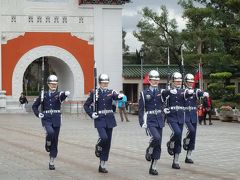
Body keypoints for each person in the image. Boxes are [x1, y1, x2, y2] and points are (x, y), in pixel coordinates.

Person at [84, 73, 123, 173]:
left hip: (109, 119)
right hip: (99, 119)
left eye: (106, 83)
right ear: (100, 83)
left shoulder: (111, 92)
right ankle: (98, 144)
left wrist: (119, 96)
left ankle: (102, 164)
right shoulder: (94, 93)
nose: (105, 84)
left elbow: (115, 96)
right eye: (103, 83)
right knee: (104, 138)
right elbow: (86, 105)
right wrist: (91, 114)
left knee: (108, 143)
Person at [32, 75, 70, 170]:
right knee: (50, 132)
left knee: (55, 140)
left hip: (56, 119)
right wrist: (38, 113)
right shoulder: (43, 95)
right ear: (48, 84)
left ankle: (52, 161)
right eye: (52, 84)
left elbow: (62, 96)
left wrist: (65, 94)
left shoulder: (59, 94)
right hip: (46, 118)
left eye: (55, 84)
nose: (54, 85)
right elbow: (34, 106)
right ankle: (47, 141)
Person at [138, 70, 169, 175]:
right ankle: (149, 148)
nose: (155, 81)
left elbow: (165, 102)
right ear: (149, 80)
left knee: (159, 144)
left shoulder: (162, 92)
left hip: (159, 119)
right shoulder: (143, 93)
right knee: (156, 137)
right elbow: (141, 109)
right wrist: (142, 122)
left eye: (156, 80)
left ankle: (153, 167)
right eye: (153, 80)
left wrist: (165, 110)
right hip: (150, 119)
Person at [165, 72, 193, 169]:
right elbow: (162, 100)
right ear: (172, 81)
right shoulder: (168, 90)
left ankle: (175, 161)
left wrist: (190, 92)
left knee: (179, 138)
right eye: (176, 81)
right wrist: (164, 108)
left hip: (180, 116)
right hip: (171, 116)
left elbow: (188, 94)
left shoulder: (183, 91)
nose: (178, 83)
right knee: (176, 132)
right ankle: (170, 142)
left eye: (180, 81)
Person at [183, 74, 209, 164]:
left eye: (192, 82)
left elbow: (199, 94)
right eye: (189, 82)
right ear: (185, 82)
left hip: (193, 114)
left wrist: (203, 94)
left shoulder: (195, 90)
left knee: (193, 136)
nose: (190, 83)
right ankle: (186, 139)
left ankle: (188, 156)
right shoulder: (182, 91)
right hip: (185, 114)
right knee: (191, 130)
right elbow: (183, 95)